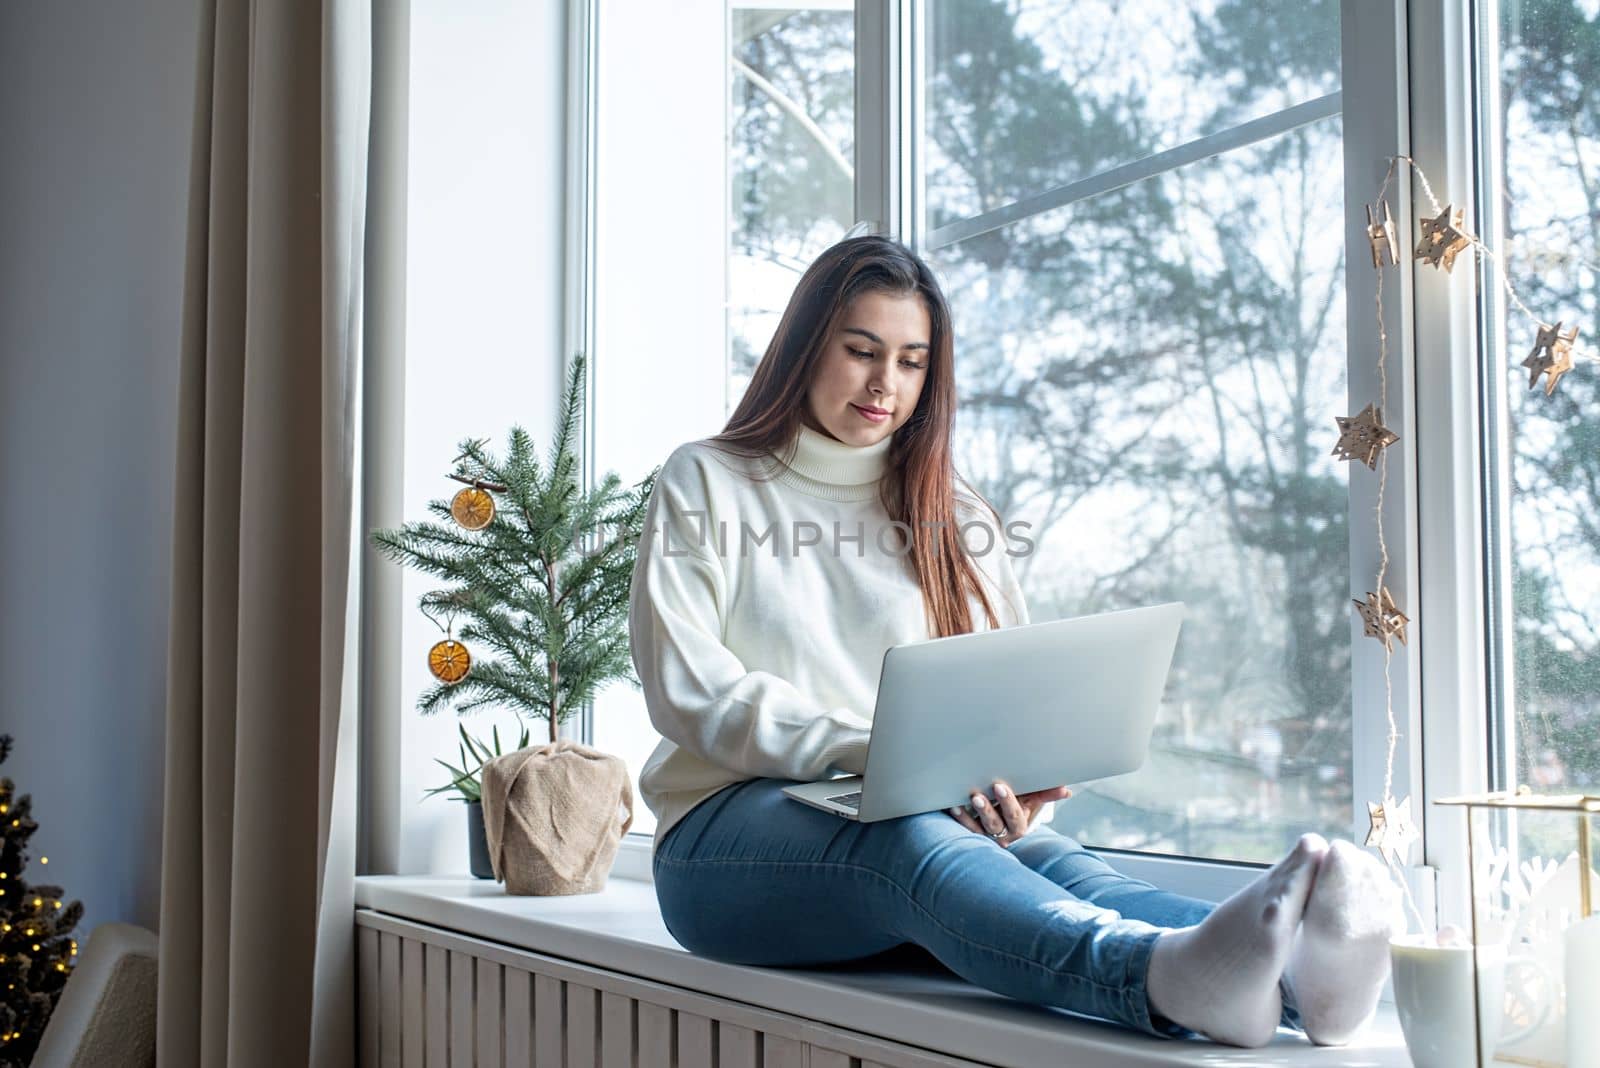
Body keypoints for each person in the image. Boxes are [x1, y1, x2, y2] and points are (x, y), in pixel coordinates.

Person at [627, 234, 1400, 1049]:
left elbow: (1005, 690)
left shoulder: (955, 513)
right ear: (803, 348)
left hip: (910, 817)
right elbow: (692, 692)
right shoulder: (708, 480)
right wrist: (878, 755)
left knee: (1059, 865)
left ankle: (1296, 977)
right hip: (723, 839)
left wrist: (1013, 785)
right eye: (861, 352)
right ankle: (1156, 981)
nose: (885, 383)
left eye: (912, 361)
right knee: (905, 835)